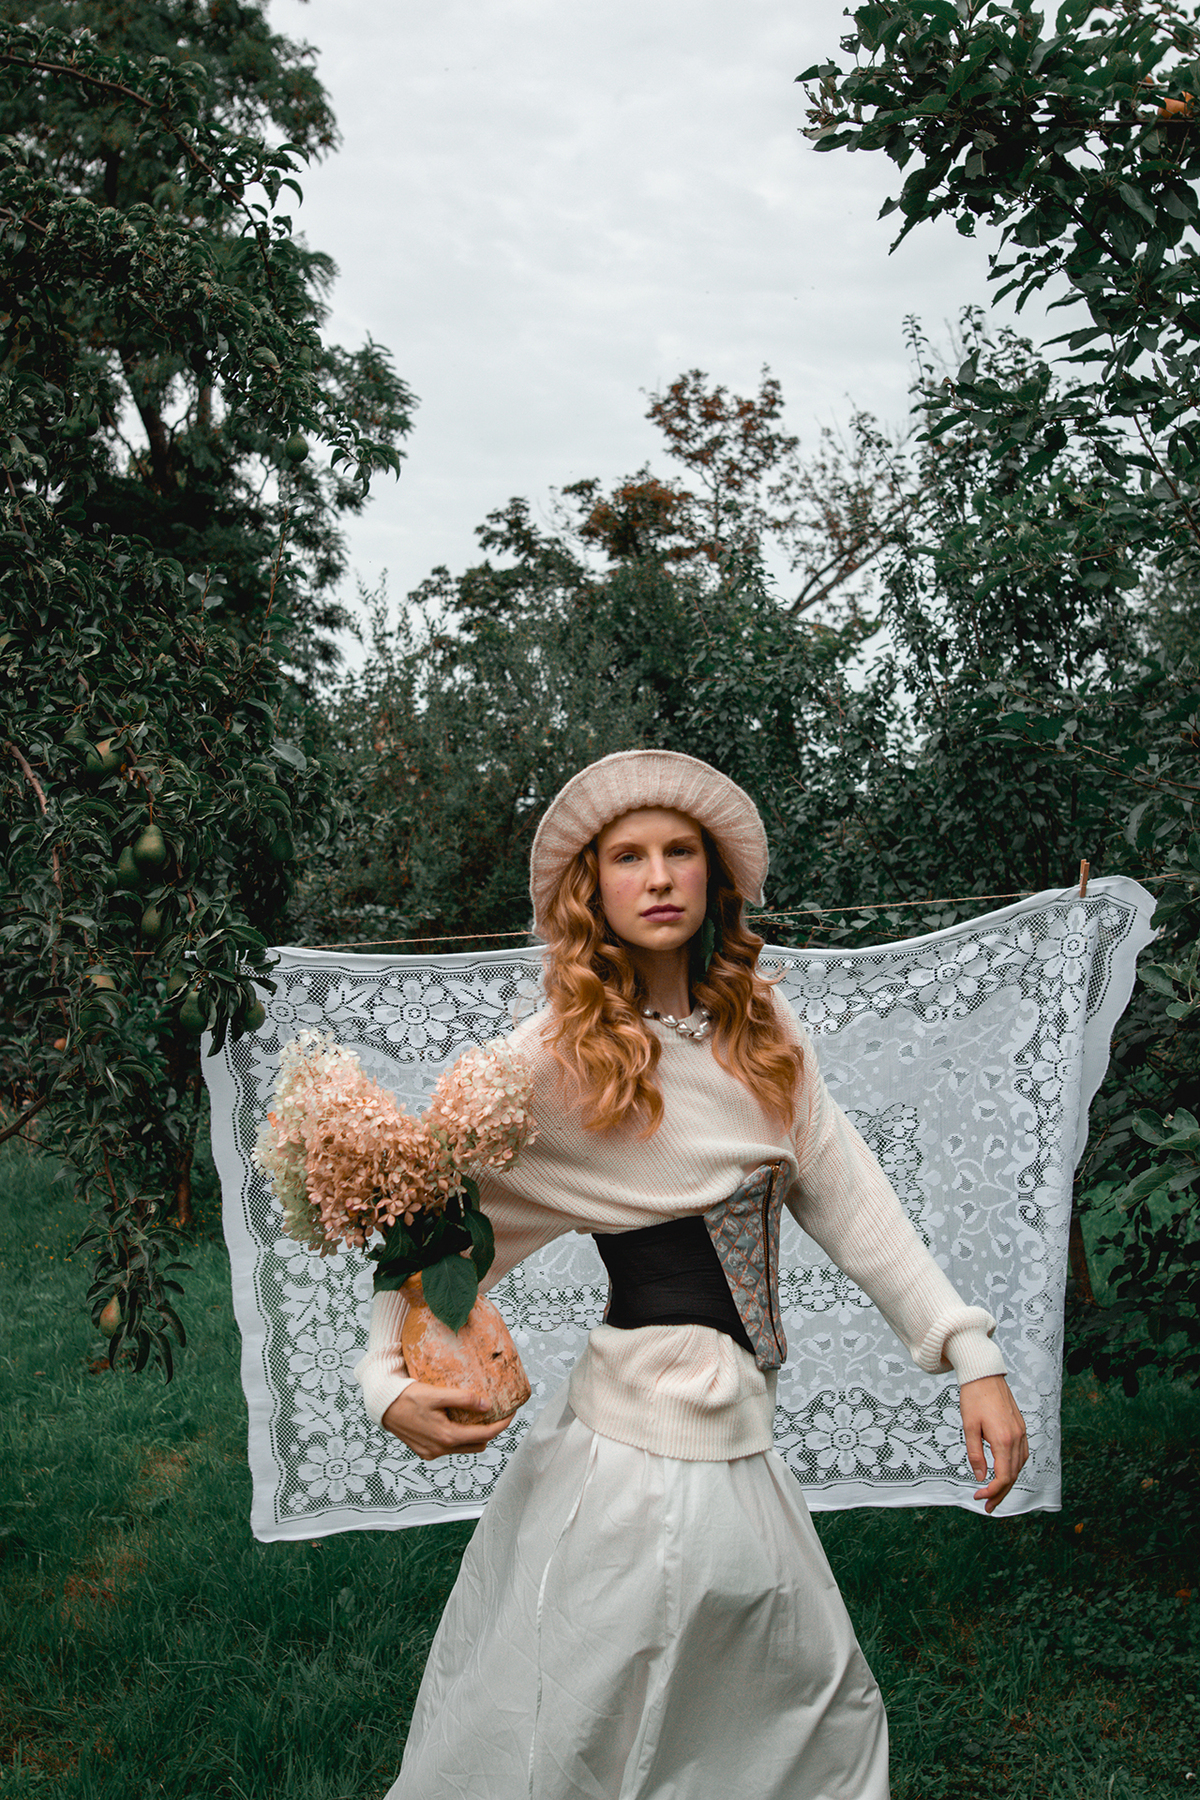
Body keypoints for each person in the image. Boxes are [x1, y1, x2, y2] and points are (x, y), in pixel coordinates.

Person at [355, 749, 1029, 1800]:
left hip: (742, 1440)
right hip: (633, 1450)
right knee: (593, 1716)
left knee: (811, 1705)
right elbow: (426, 1229)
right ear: (594, 889)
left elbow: (852, 1200)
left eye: (681, 853)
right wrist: (387, 1383)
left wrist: (971, 1354)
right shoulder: (548, 1060)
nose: (660, 876)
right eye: (629, 857)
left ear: (714, 878)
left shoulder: (761, 1029)